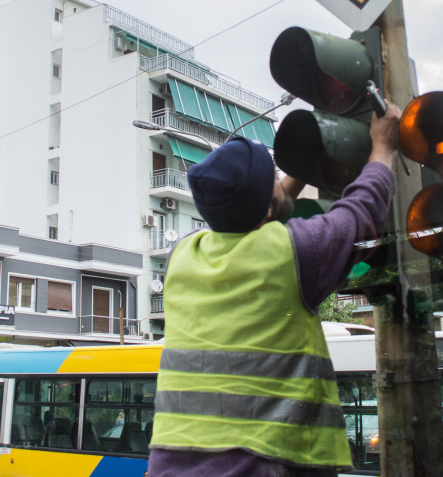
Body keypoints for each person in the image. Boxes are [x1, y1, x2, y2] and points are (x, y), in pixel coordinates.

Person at [149, 102, 401, 477]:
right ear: (266, 209)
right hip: (262, 461)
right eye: (273, 179)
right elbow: (361, 213)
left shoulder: (181, 255)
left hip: (174, 460)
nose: (279, 181)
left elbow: (255, 208)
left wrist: (295, 173)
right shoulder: (292, 252)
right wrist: (383, 146)